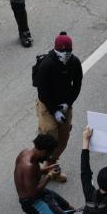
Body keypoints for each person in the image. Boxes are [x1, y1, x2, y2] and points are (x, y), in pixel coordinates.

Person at [34, 31, 83, 181]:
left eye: (68, 50)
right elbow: (42, 93)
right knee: (48, 134)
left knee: (63, 137)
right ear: (56, 49)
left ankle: (51, 165)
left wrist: (68, 104)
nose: (65, 53)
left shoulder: (74, 62)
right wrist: (55, 111)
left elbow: (77, 84)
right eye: (62, 50)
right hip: (47, 104)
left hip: (64, 104)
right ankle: (34, 168)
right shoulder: (46, 65)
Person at [14, 134, 78, 214]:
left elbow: (31, 175)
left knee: (69, 210)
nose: (48, 157)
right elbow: (33, 193)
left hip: (40, 195)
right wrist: (49, 176)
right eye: (48, 153)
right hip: (33, 202)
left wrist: (46, 169)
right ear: (43, 150)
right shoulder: (29, 166)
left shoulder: (25, 153)